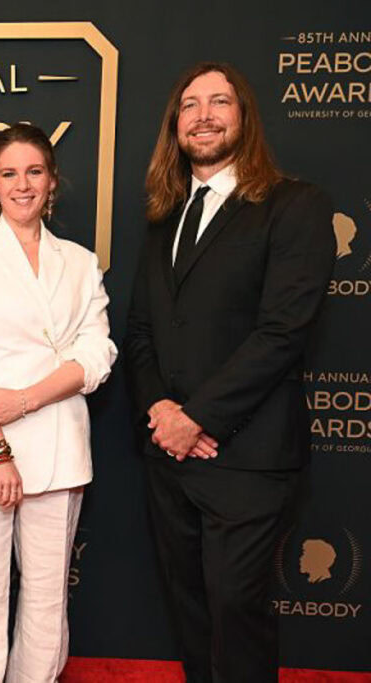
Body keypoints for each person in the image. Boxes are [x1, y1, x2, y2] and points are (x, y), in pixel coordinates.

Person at [124, 62, 335, 683]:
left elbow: (283, 332)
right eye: (190, 105)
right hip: (170, 456)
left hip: (248, 458)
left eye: (219, 102)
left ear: (244, 116)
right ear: (175, 124)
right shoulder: (165, 216)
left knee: (237, 616)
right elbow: (142, 331)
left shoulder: (295, 205)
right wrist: (162, 412)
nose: (204, 116)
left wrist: (199, 418)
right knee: (189, 615)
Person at [0, 123, 117, 682]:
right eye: (9, 174)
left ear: (52, 180)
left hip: (59, 444)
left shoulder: (80, 262)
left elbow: (97, 353)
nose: (22, 184)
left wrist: (25, 400)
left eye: (34, 171)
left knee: (46, 603)